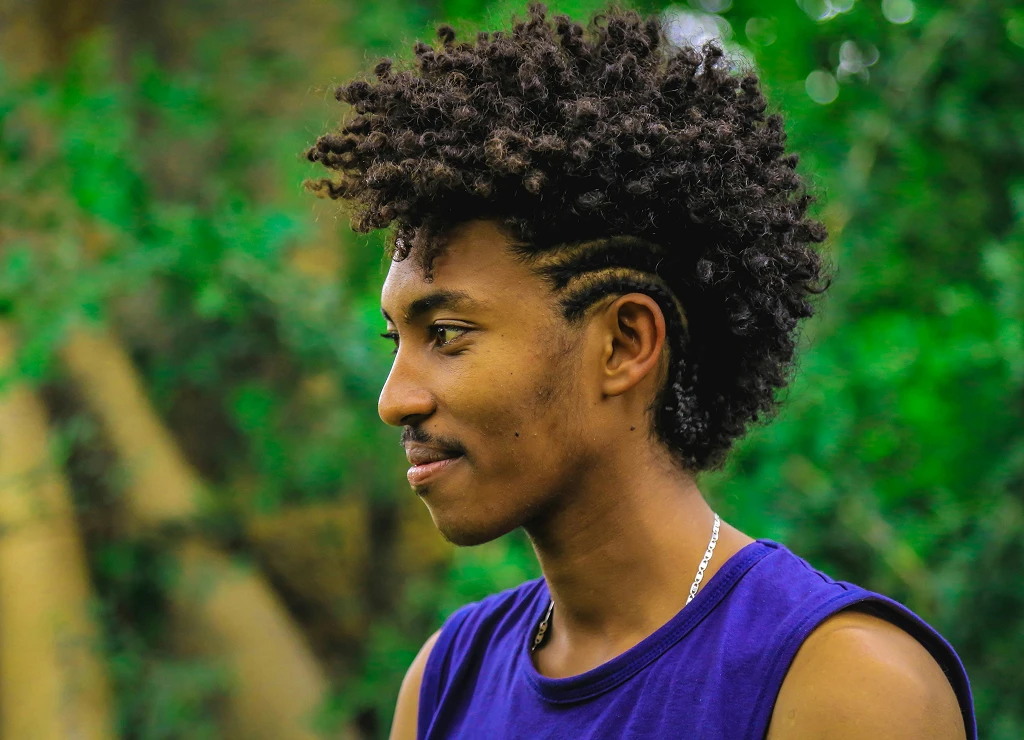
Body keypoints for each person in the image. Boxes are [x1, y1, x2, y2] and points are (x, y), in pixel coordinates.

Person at [306, 4, 976, 738]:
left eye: (447, 334)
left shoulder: (847, 685)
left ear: (624, 344)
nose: (394, 400)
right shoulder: (445, 682)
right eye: (396, 340)